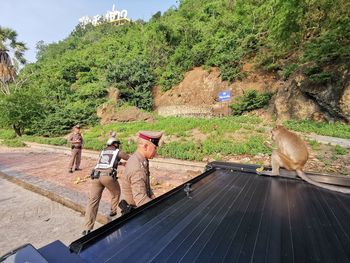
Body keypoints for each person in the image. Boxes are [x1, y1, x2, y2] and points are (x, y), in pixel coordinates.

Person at [82, 137, 129, 235]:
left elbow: (106, 161)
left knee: (93, 201)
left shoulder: (102, 151)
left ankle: (87, 228)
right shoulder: (118, 151)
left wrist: (120, 163)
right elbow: (130, 158)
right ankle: (113, 210)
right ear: (115, 144)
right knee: (116, 192)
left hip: (96, 176)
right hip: (107, 177)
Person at [118, 131, 162, 214]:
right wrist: (159, 210)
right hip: (135, 212)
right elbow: (141, 199)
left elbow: (145, 184)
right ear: (145, 146)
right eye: (155, 148)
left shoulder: (140, 159)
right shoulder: (137, 168)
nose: (156, 152)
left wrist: (152, 196)